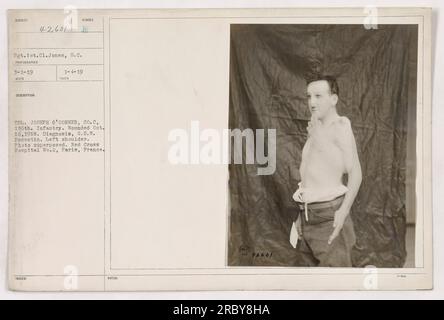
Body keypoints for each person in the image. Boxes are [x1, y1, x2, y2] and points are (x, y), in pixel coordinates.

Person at [291, 74, 362, 267]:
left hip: (328, 219)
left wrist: (343, 212)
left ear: (334, 99)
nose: (312, 102)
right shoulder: (316, 128)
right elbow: (310, 175)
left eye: (318, 96)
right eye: (309, 96)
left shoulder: (340, 125)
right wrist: (301, 215)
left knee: (335, 289)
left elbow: (355, 173)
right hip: (307, 220)